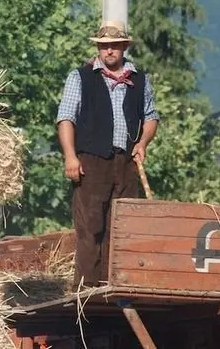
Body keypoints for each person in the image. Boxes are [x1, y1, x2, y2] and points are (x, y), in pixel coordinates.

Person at [56, 20, 159, 287]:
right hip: (91, 161)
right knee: (90, 227)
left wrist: (143, 143)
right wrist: (70, 156)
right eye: (104, 46)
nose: (108, 51)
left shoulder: (139, 80)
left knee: (122, 227)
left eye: (114, 46)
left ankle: (116, 287)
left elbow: (151, 118)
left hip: (125, 164)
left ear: (124, 47)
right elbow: (66, 118)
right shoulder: (81, 76)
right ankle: (88, 291)